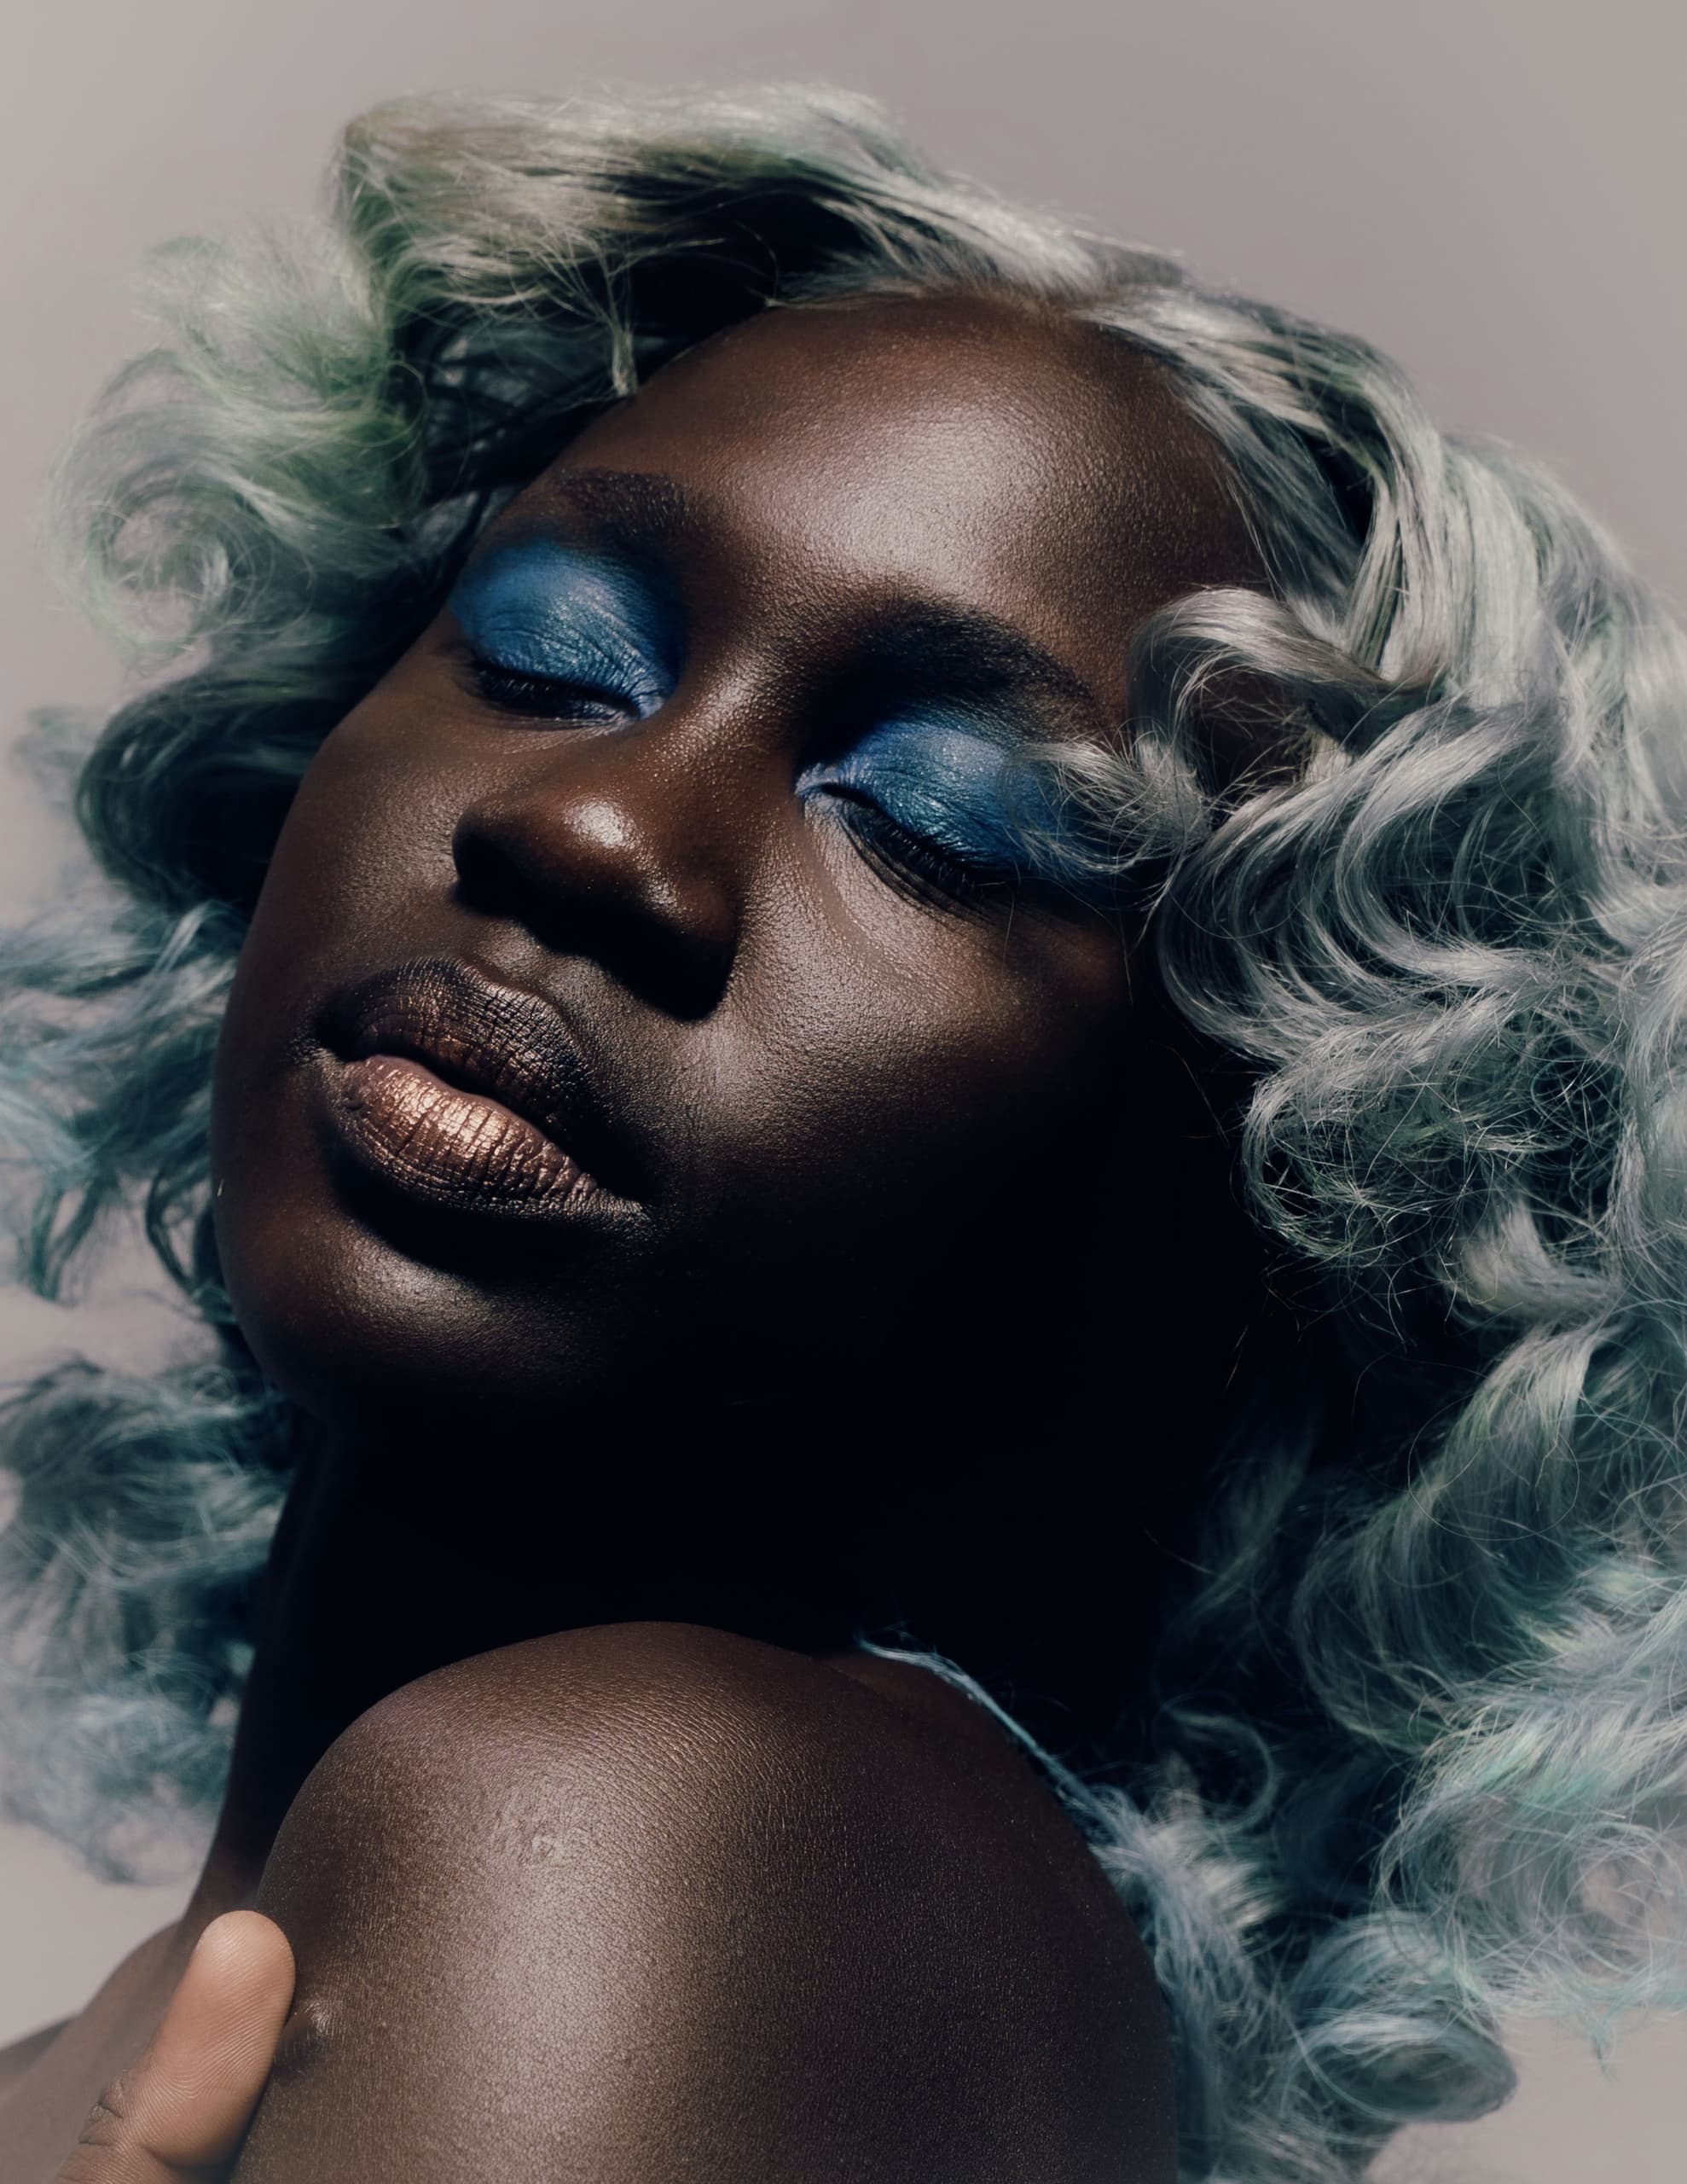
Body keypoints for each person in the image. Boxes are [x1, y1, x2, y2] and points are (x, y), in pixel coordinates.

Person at [0, 83, 1684, 2184]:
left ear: (1300, 1205)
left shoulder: (651, 1830)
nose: (589, 825)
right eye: (550, 651)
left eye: (934, 821)